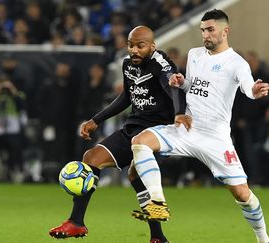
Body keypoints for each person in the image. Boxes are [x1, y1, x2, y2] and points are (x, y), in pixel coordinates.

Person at [130, 9, 269, 243]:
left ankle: (264, 239)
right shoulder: (195, 54)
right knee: (140, 142)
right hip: (187, 129)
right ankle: (157, 202)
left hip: (216, 138)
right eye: (202, 30)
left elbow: (248, 87)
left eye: (210, 30)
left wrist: (255, 92)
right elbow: (194, 88)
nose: (205, 34)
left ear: (225, 31)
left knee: (242, 194)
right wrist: (182, 82)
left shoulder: (237, 63)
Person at [49, 25, 186, 243]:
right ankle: (76, 223)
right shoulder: (127, 65)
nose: (134, 50)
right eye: (130, 45)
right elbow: (126, 98)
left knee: (135, 173)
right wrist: (96, 120)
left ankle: (158, 236)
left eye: (140, 46)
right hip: (134, 126)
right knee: (91, 158)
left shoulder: (162, 64)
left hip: (158, 131)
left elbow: (174, 88)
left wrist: (179, 113)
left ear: (152, 46)